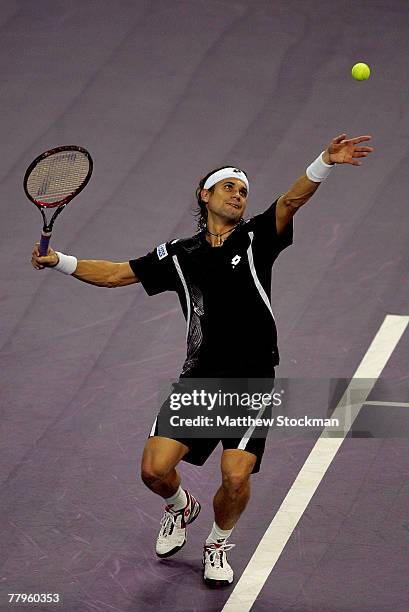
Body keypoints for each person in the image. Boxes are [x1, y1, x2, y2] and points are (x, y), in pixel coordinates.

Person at [31, 133, 373, 587]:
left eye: (244, 190)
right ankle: (180, 508)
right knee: (153, 470)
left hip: (251, 381)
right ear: (205, 195)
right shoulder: (179, 255)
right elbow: (116, 274)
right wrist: (59, 261)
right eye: (229, 186)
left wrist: (324, 162)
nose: (238, 194)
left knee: (234, 475)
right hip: (200, 379)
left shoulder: (255, 240)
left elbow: (291, 201)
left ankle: (217, 541)